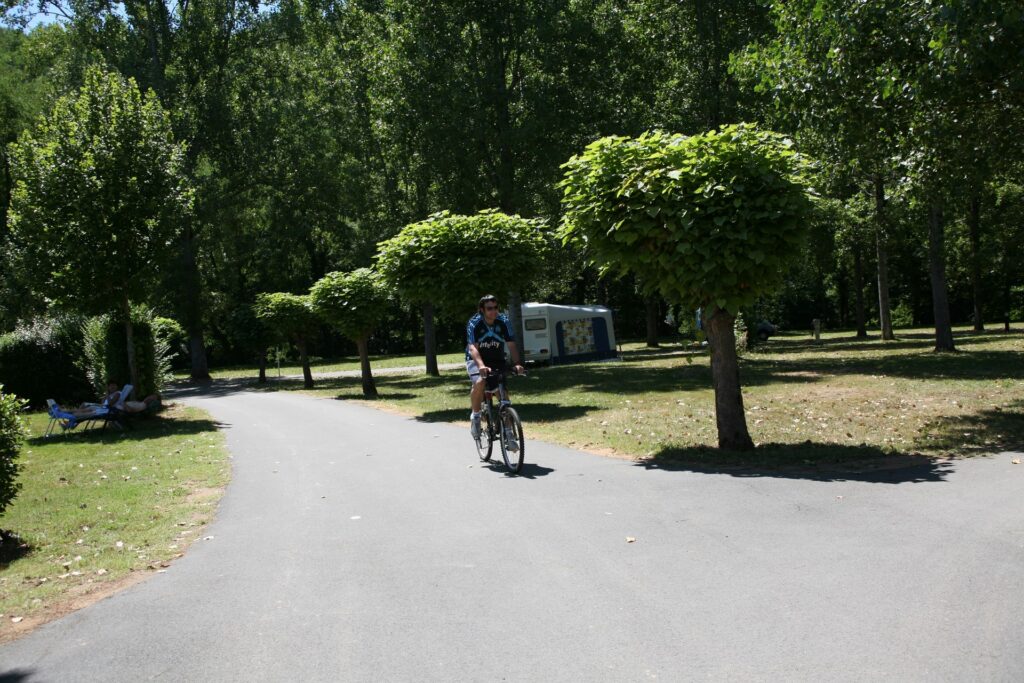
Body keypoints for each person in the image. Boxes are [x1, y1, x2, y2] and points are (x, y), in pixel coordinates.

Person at [466, 294, 524, 442]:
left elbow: (511, 344)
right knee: (480, 381)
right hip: (477, 359)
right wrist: (481, 366)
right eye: (489, 308)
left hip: (496, 358)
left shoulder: (503, 321)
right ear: (482, 310)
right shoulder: (475, 323)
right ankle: (476, 416)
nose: (493, 311)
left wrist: (517, 364)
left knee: (503, 394)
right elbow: (473, 348)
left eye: (496, 307)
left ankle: (509, 432)